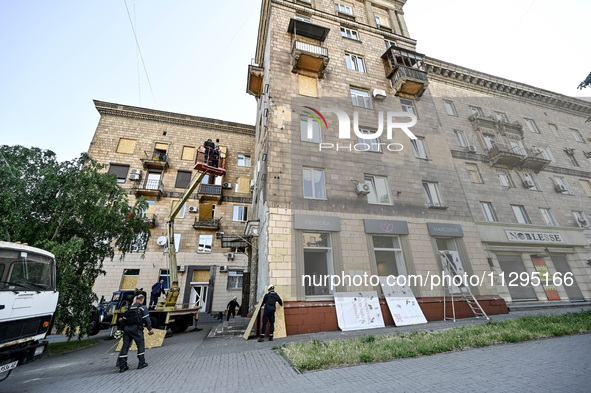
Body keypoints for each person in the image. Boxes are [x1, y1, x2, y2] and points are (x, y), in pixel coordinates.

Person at [117, 294, 154, 373]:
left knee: (125, 347)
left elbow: (123, 320)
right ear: (142, 300)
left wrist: (122, 329)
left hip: (127, 329)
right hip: (137, 329)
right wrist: (150, 329)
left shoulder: (129, 308)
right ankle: (141, 363)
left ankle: (122, 366)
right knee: (140, 345)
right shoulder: (142, 308)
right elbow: (147, 319)